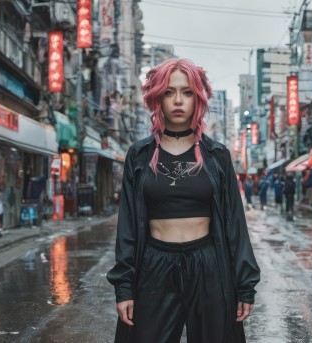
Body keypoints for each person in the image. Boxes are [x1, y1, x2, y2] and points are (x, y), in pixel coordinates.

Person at [106, 59, 260, 343]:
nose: (178, 100)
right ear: (157, 97)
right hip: (154, 264)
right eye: (169, 92)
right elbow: (127, 227)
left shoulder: (217, 156)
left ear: (198, 98)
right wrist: (124, 288)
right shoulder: (139, 156)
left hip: (209, 264)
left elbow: (235, 224)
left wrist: (245, 285)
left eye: (187, 92)